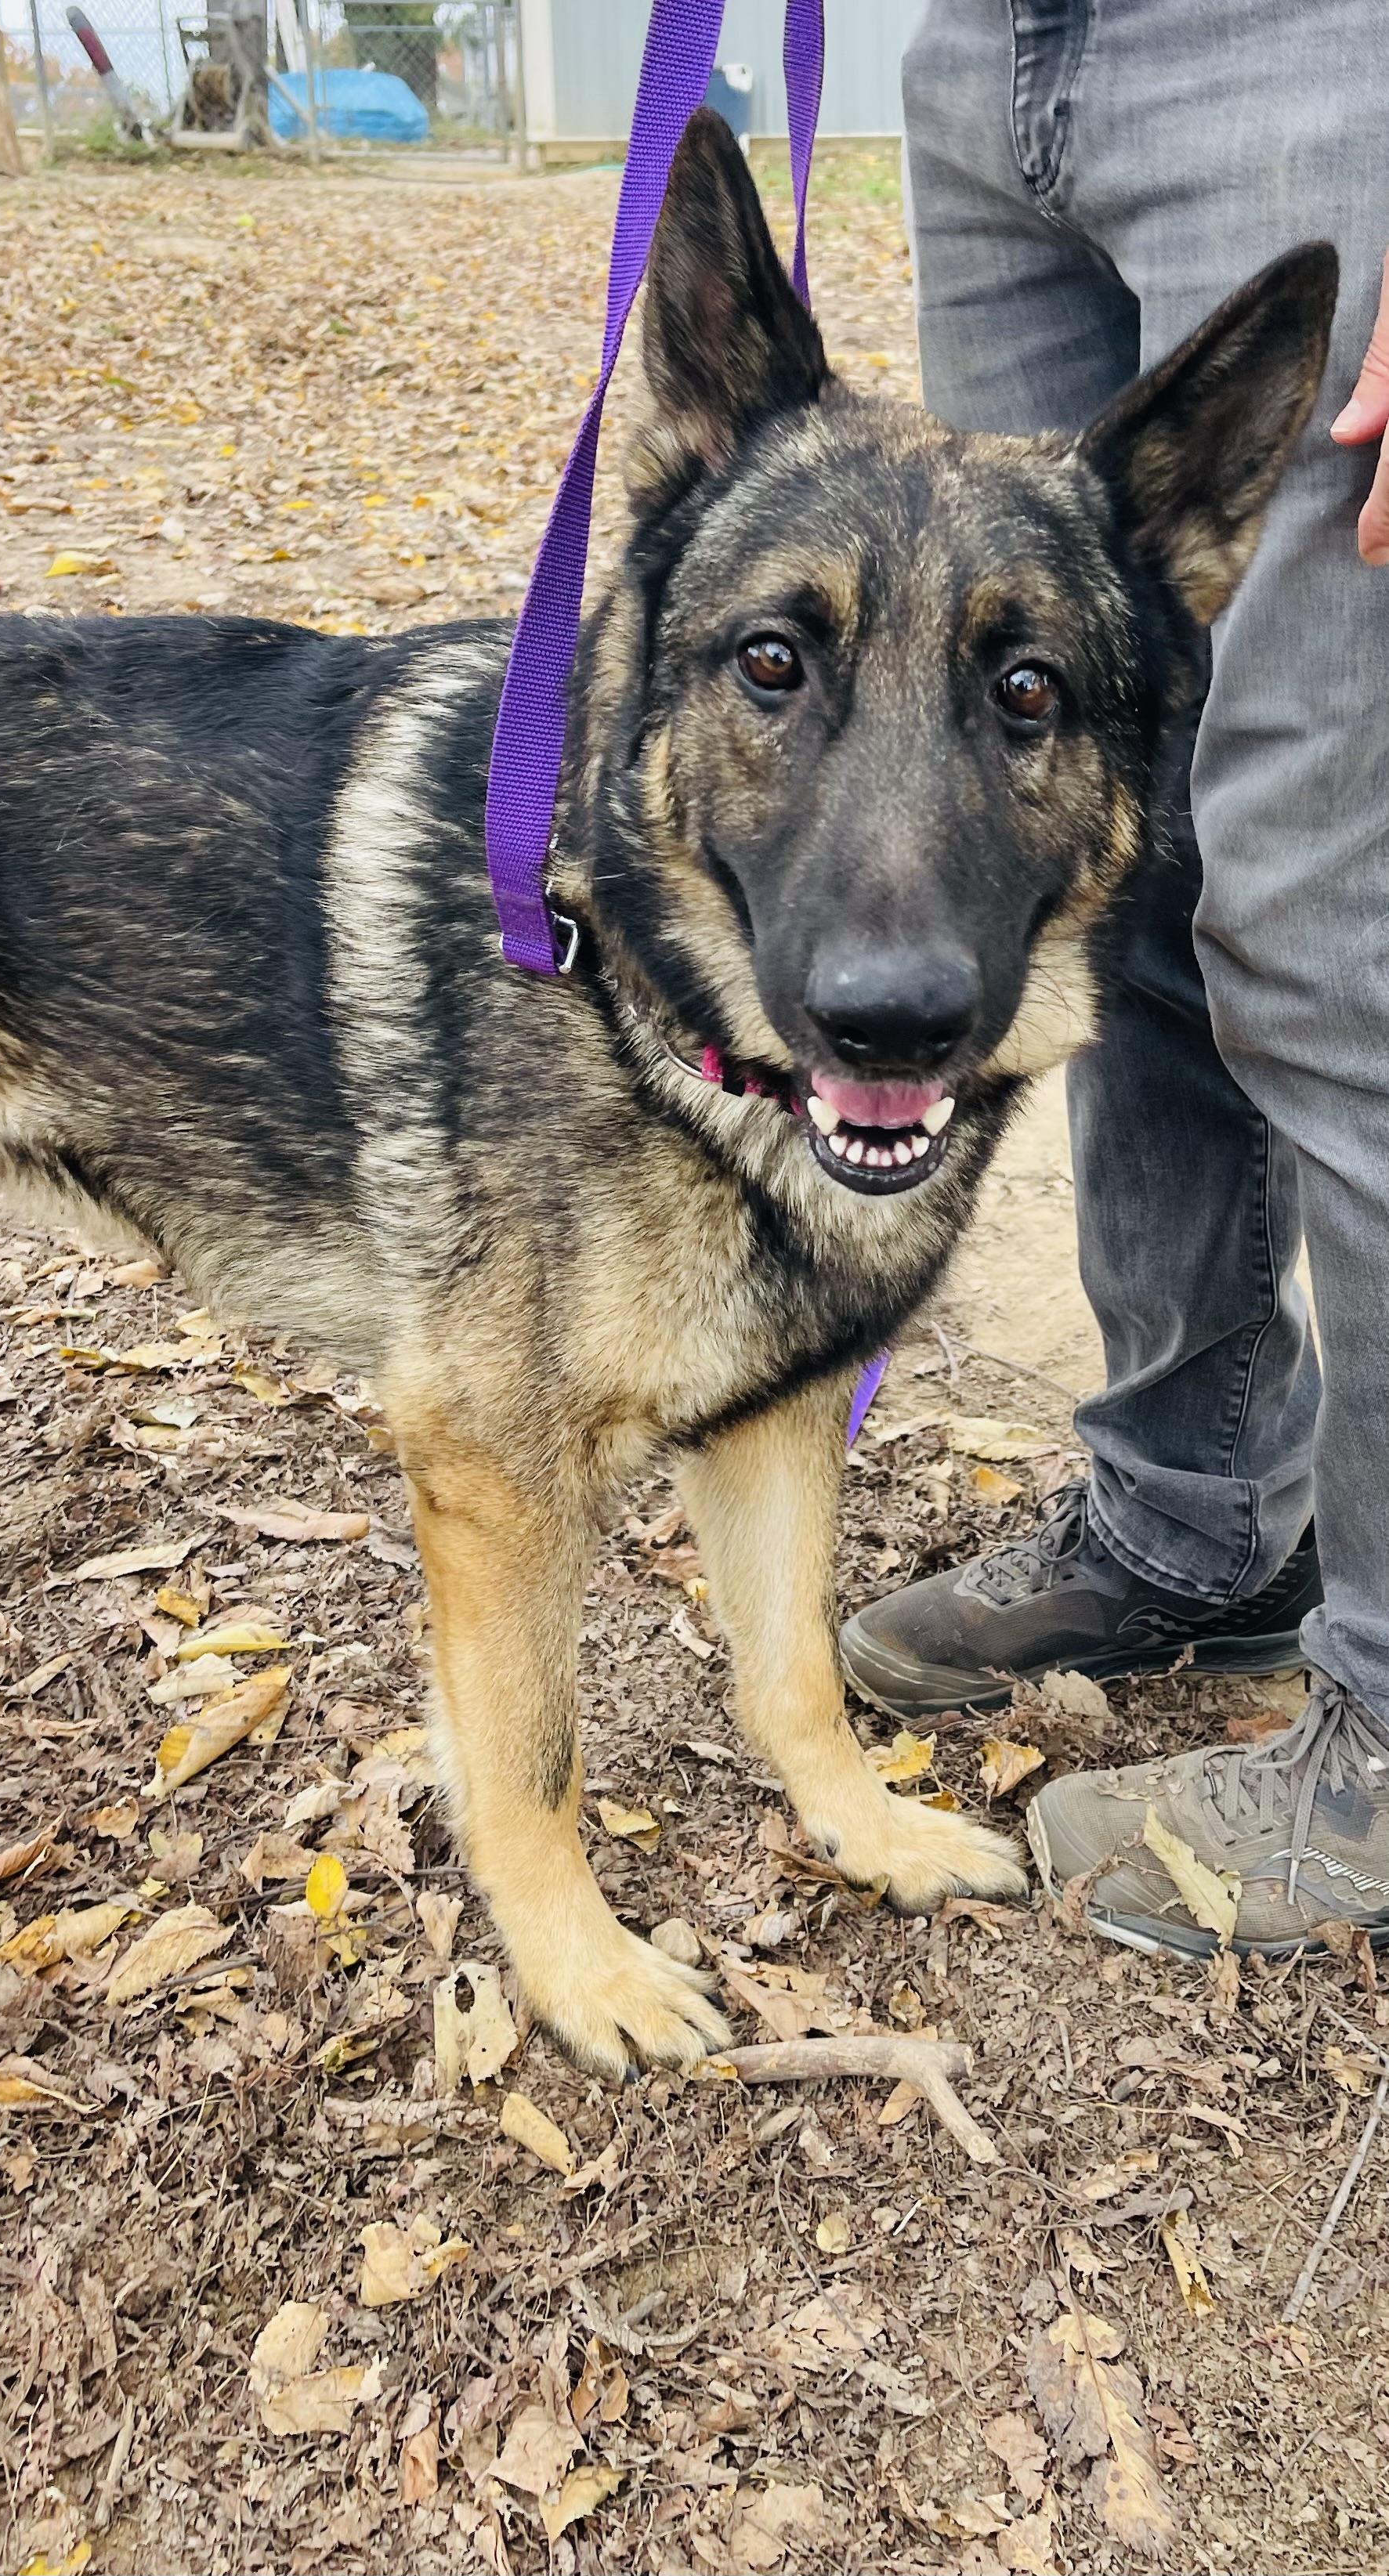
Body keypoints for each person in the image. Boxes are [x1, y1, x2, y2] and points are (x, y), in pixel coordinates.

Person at [838, 0, 1389, 1954]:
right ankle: (1192, 1511)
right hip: (984, 71)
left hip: (1313, 51)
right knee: (1096, 875)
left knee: (1335, 935)